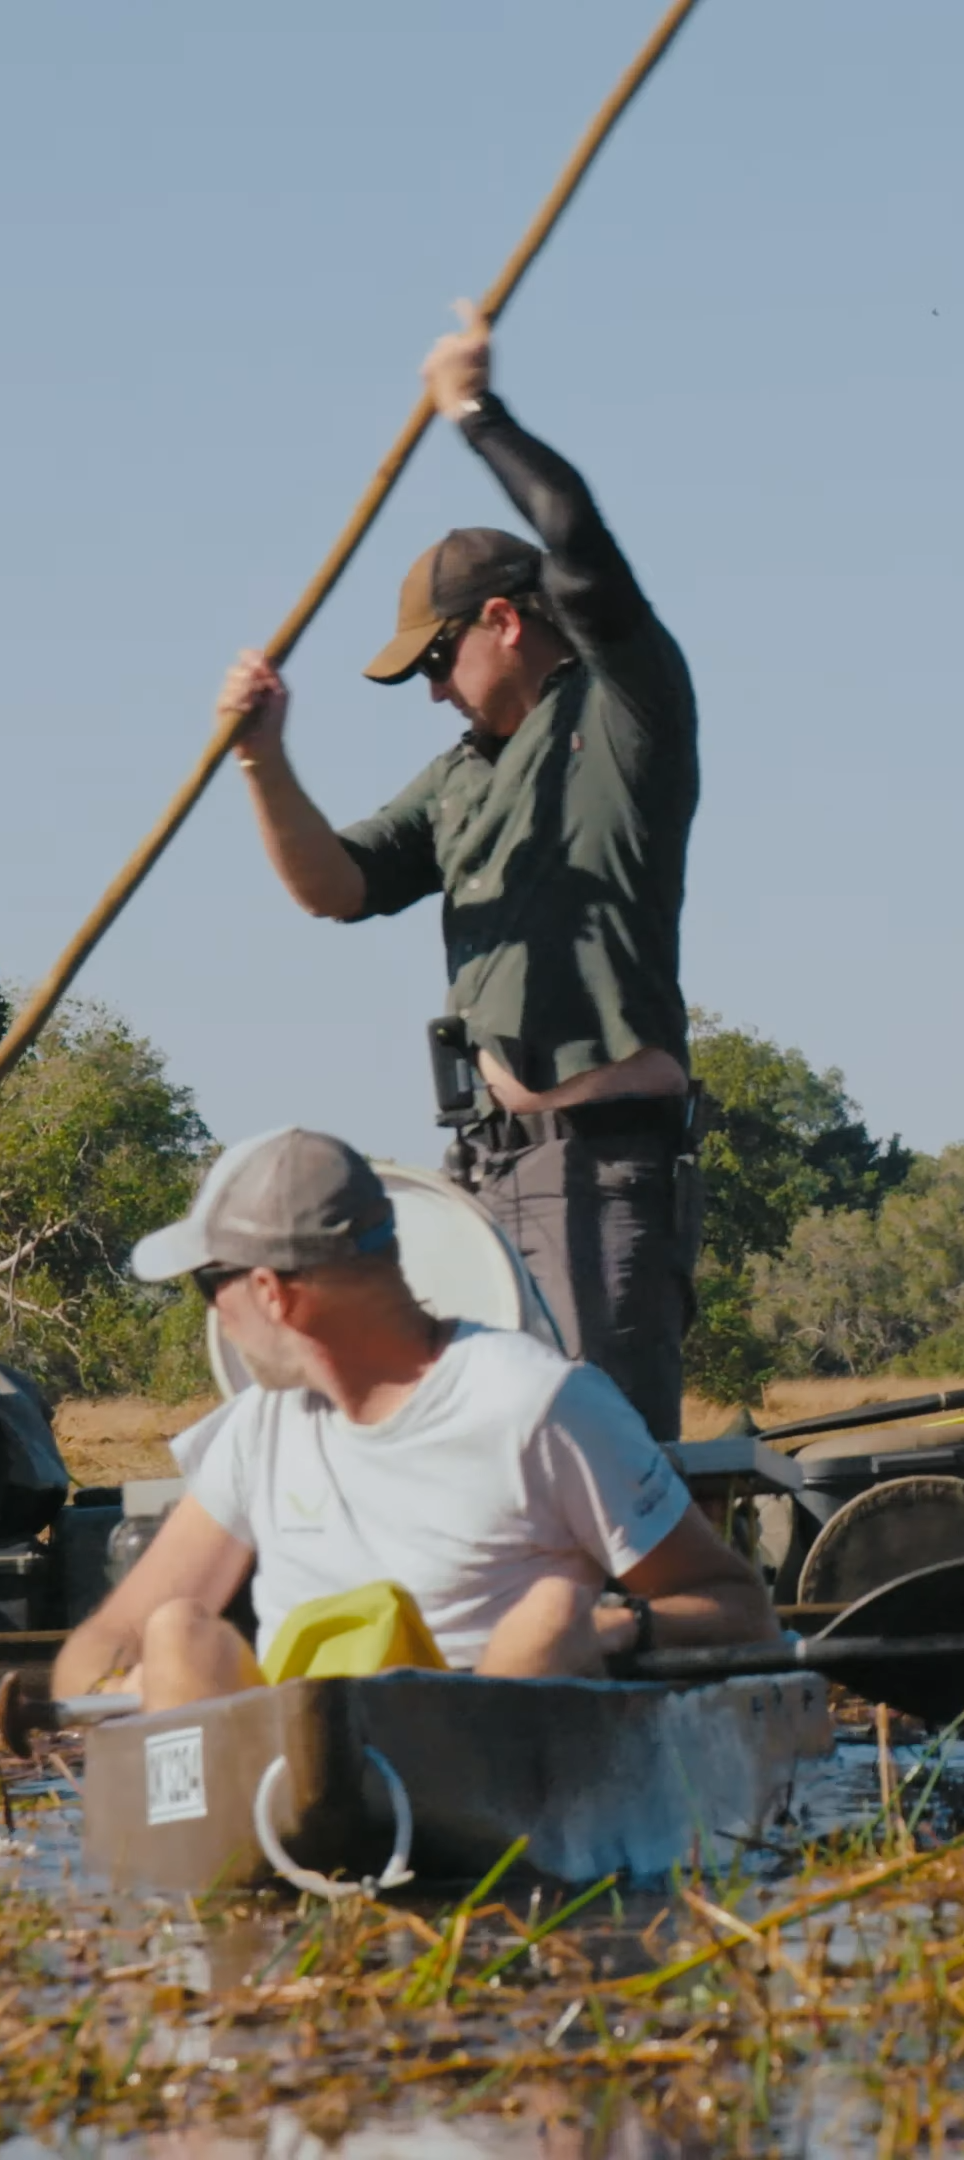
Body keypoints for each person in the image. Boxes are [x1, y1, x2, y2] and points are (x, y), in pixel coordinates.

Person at [215, 305, 703, 1442]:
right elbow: (335, 885)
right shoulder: (462, 778)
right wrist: (261, 760)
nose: (433, 690)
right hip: (485, 1177)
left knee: (600, 1465)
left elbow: (580, 544)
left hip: (604, 1171)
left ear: (502, 619)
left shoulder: (628, 708)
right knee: (487, 1464)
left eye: (438, 661)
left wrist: (476, 413)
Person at [51, 1129, 775, 1713]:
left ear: (272, 1294)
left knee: (550, 1614)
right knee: (176, 1633)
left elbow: (741, 1609)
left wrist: (613, 1624)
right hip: (295, 1776)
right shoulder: (256, 1430)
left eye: (209, 1284)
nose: (211, 1312)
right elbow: (110, 1637)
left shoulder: (542, 1405)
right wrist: (115, 1687)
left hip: (485, 1758)